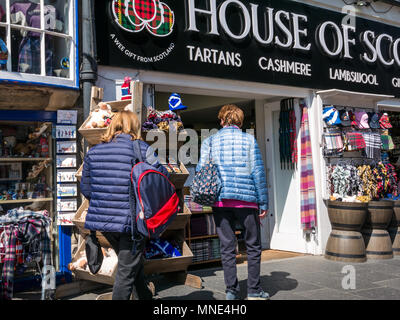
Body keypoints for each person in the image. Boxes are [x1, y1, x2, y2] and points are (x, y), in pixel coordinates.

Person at [80, 110, 168, 300]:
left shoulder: (93, 151)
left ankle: (145, 297)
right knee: (126, 274)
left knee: (131, 266)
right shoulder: (142, 148)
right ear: (134, 127)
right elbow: (161, 177)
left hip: (104, 224)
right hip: (132, 223)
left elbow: (86, 189)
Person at [196, 104, 269, 300]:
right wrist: (263, 203)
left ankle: (231, 291)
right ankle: (254, 290)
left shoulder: (210, 141)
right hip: (247, 202)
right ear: (239, 120)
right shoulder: (249, 140)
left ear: (221, 120)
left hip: (221, 201)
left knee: (227, 247)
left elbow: (201, 170)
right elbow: (258, 173)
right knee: (253, 246)